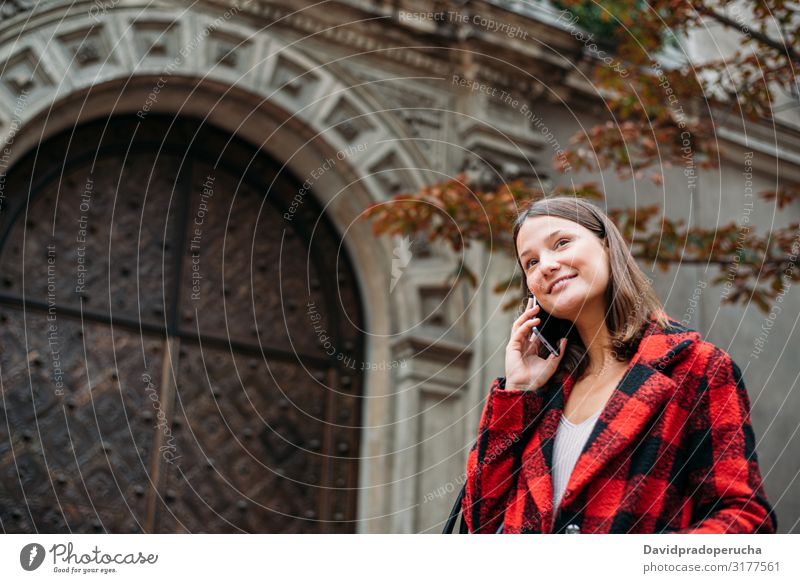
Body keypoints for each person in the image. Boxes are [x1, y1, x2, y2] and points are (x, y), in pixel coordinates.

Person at [462, 196, 777, 534]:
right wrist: (520, 390)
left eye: (562, 243)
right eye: (531, 262)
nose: (546, 265)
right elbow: (481, 519)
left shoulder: (696, 367)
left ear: (607, 246)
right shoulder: (541, 394)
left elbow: (744, 519)